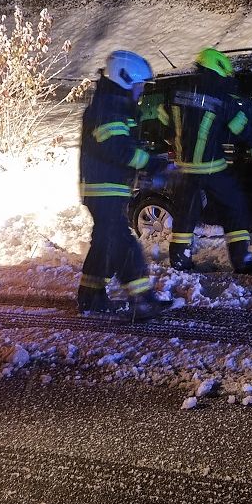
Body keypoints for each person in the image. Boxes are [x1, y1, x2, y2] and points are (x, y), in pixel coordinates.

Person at [164, 47, 252, 274]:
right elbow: (245, 132)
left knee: (186, 215)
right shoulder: (223, 100)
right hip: (213, 169)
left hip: (184, 170)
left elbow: (164, 120)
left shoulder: (177, 92)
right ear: (220, 70)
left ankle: (180, 261)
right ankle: (241, 260)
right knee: (235, 210)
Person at [78, 50, 171, 319]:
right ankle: (142, 299)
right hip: (103, 189)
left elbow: (118, 148)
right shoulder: (109, 108)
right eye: (140, 86)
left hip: (107, 188)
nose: (141, 92)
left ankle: (90, 296)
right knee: (122, 242)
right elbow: (117, 147)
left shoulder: (112, 105)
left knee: (105, 242)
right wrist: (150, 163)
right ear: (125, 79)